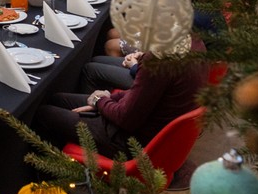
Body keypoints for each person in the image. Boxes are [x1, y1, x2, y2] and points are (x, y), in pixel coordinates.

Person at [38, 42, 209, 155]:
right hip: (156, 133)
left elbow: (125, 119)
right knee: (58, 99)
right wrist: (109, 98)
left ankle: (50, 190)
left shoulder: (160, 57)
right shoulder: (195, 43)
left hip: (133, 144)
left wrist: (100, 102)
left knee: (44, 114)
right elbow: (140, 94)